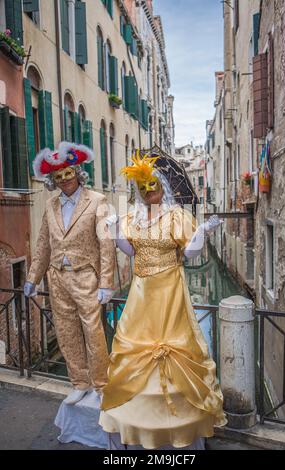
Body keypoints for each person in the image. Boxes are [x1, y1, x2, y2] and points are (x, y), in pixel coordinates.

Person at [100, 151, 227, 450]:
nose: (148, 193)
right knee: (134, 339)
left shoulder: (177, 216)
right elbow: (129, 252)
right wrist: (116, 228)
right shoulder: (132, 217)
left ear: (162, 188)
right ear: (138, 191)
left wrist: (201, 233)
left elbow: (192, 253)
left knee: (174, 339)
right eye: (143, 189)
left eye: (153, 188)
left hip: (170, 288)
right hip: (141, 290)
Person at [24, 142, 115, 405]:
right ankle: (80, 382)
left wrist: (106, 282)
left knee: (93, 331)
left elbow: (106, 243)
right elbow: (42, 244)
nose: (64, 180)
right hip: (57, 277)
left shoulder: (97, 200)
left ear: (77, 173)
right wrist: (32, 278)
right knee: (66, 331)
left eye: (68, 174)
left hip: (86, 276)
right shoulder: (50, 206)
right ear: (52, 180)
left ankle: (101, 384)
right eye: (58, 176)